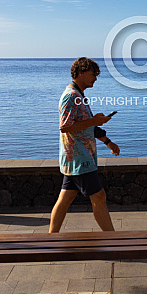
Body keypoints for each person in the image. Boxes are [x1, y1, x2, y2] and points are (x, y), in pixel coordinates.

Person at [49, 57, 120, 233]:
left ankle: (51, 238)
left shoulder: (79, 96)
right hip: (80, 160)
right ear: (80, 73)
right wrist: (94, 121)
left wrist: (107, 142)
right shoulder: (71, 96)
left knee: (65, 198)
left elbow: (86, 126)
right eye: (92, 74)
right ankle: (113, 240)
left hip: (76, 159)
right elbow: (64, 127)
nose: (95, 78)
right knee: (99, 196)